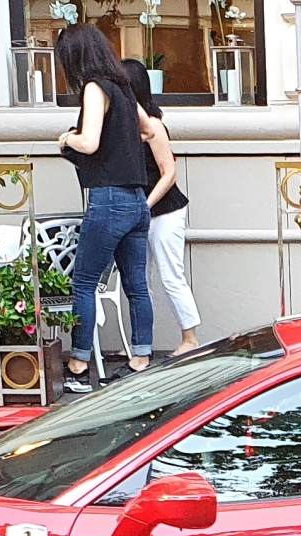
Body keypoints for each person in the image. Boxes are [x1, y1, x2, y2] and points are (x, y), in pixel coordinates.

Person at [53, 25, 158, 393]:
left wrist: (67, 138)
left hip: (109, 198)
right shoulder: (124, 87)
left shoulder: (95, 88)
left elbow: (89, 141)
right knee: (136, 286)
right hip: (137, 200)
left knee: (83, 281)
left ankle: (79, 367)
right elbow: (150, 130)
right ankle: (140, 360)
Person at [122, 59, 200, 355]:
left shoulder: (153, 125)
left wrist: (144, 205)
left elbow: (169, 172)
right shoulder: (124, 126)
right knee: (139, 281)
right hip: (140, 212)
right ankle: (141, 344)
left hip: (165, 210)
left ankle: (190, 339)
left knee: (170, 274)